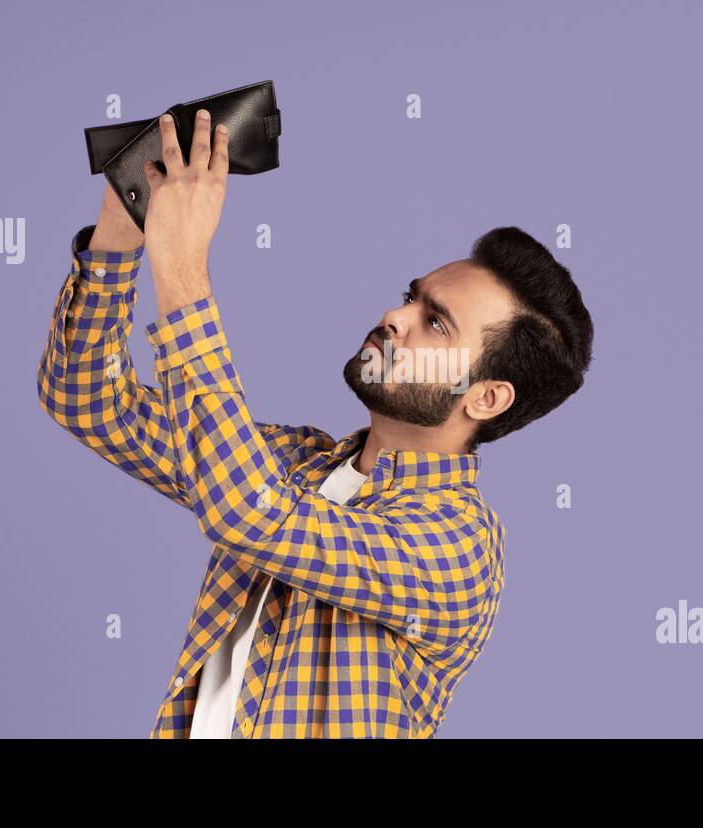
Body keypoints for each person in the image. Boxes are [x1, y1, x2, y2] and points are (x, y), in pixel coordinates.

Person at [36, 109, 594, 738]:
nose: (395, 315)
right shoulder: (295, 464)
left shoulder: (459, 546)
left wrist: (182, 265)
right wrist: (126, 220)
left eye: (436, 323)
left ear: (487, 398)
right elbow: (86, 399)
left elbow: (249, 511)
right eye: (412, 297)